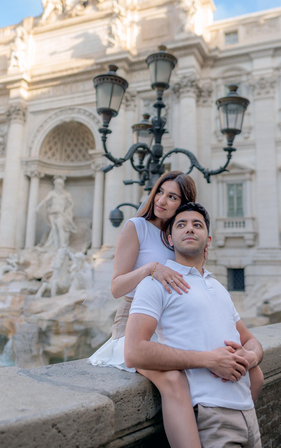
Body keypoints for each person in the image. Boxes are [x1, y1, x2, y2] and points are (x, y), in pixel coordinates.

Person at [125, 202, 264, 447]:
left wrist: (250, 358)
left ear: (207, 239)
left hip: (249, 414)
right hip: (211, 416)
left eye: (197, 225)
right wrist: (209, 360)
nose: (190, 229)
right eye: (181, 225)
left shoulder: (218, 287)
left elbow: (251, 341)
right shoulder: (156, 283)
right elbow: (134, 351)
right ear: (170, 238)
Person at [89, 171, 210, 447]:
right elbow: (117, 287)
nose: (162, 200)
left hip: (172, 325)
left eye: (172, 197)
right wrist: (150, 269)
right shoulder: (136, 226)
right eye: (160, 192)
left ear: (183, 204)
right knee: (174, 380)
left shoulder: (178, 233)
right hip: (133, 324)